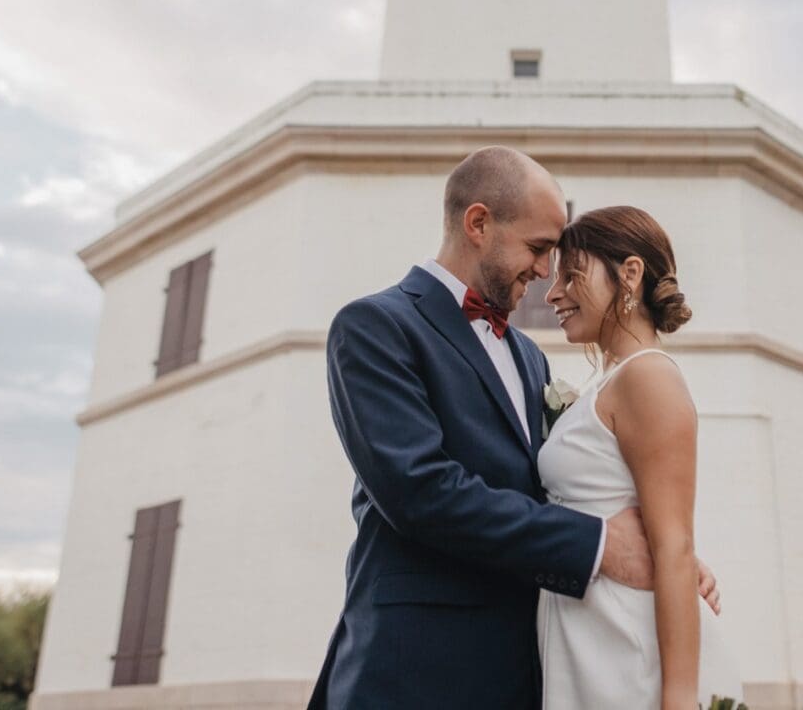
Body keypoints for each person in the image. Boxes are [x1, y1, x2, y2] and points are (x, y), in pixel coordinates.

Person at [308, 147, 719, 709]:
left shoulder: (530, 358)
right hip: (415, 666)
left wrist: (664, 550)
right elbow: (418, 490)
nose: (546, 272)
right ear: (478, 224)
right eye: (539, 248)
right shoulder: (376, 326)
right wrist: (599, 545)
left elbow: (547, 487)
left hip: (528, 669)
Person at [538, 205, 743, 709]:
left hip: (631, 654)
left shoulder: (648, 376)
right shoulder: (608, 381)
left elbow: (673, 546)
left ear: (629, 273)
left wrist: (678, 699)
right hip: (594, 646)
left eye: (571, 275)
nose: (552, 293)